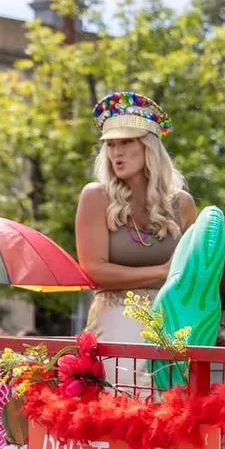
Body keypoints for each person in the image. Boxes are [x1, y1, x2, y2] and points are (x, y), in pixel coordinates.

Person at [75, 92, 197, 387]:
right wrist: (162, 272)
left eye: (127, 142)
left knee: (175, 419)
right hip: (117, 325)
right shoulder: (96, 196)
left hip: (175, 325)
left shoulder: (182, 204)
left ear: (149, 147)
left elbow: (195, 273)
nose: (117, 152)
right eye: (111, 145)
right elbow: (93, 271)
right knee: (124, 419)